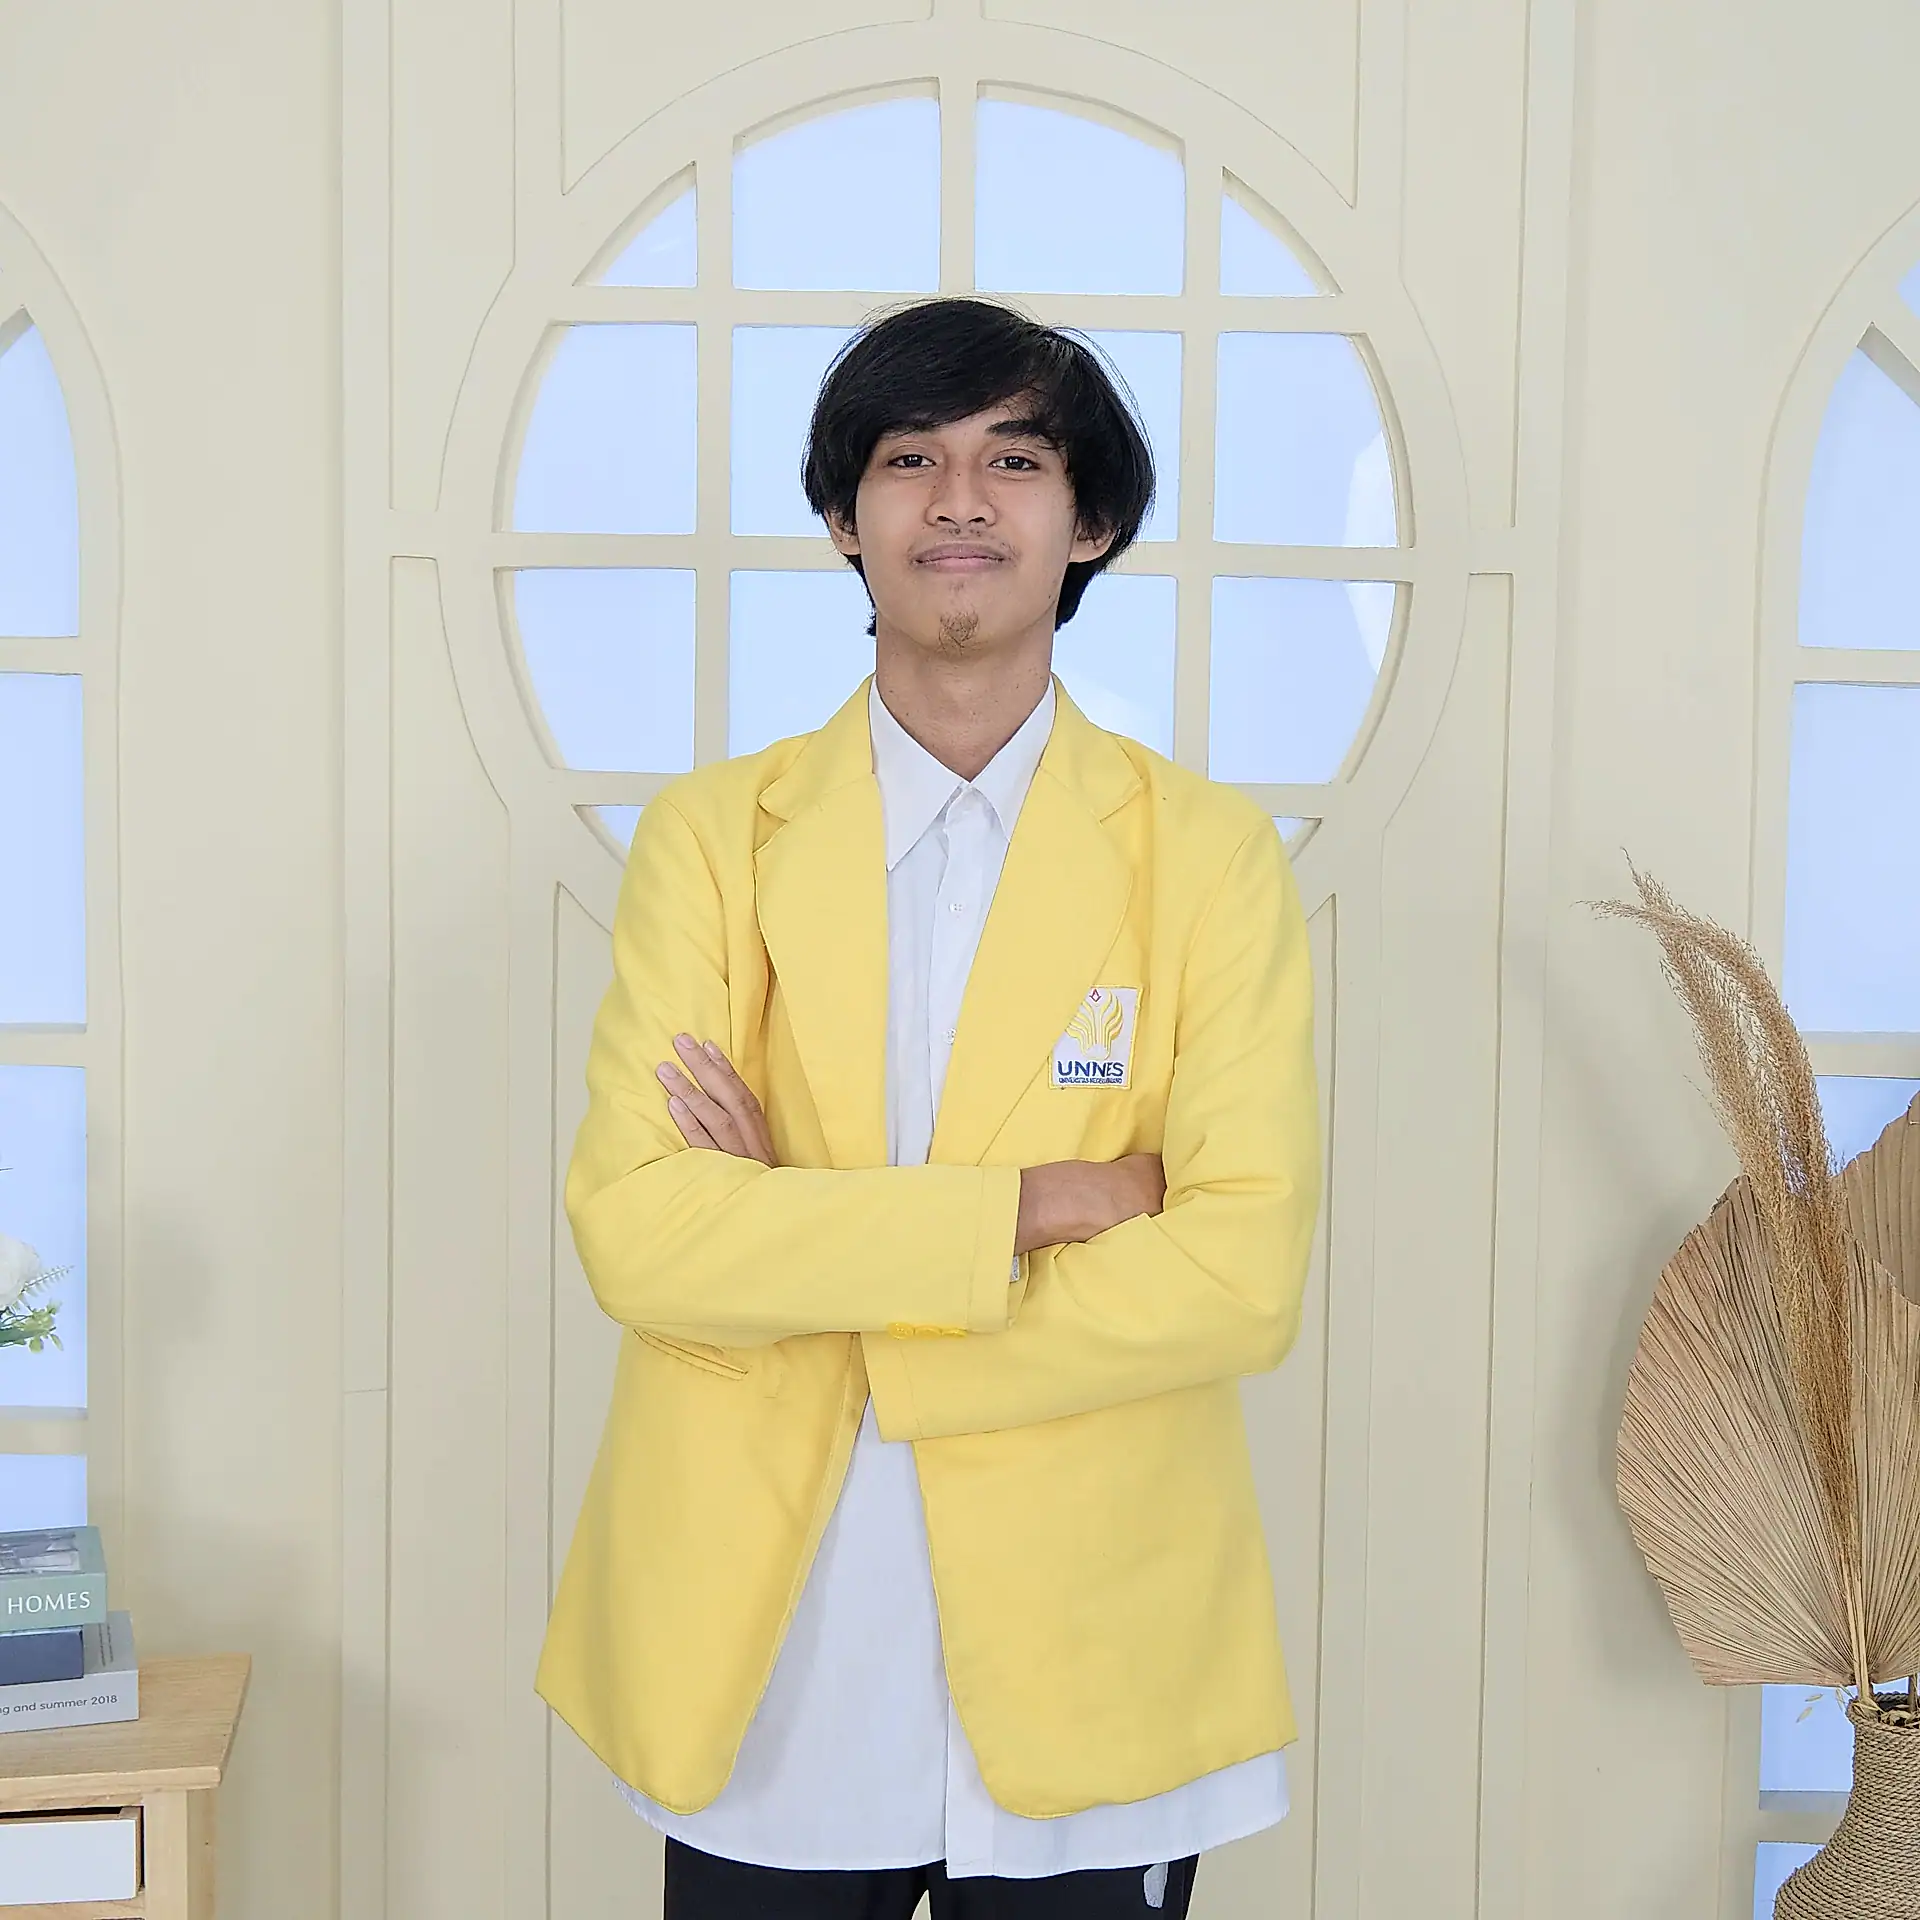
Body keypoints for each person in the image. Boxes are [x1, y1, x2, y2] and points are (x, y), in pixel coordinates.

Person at [537, 296, 1321, 1919]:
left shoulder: (1208, 859)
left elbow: (1240, 1277)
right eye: (911, 460)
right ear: (846, 516)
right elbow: (640, 1233)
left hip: (1097, 1641)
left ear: (1090, 521)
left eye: (1015, 461)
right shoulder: (713, 839)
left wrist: (805, 1251)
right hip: (771, 1660)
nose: (961, 500)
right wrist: (1036, 1208)